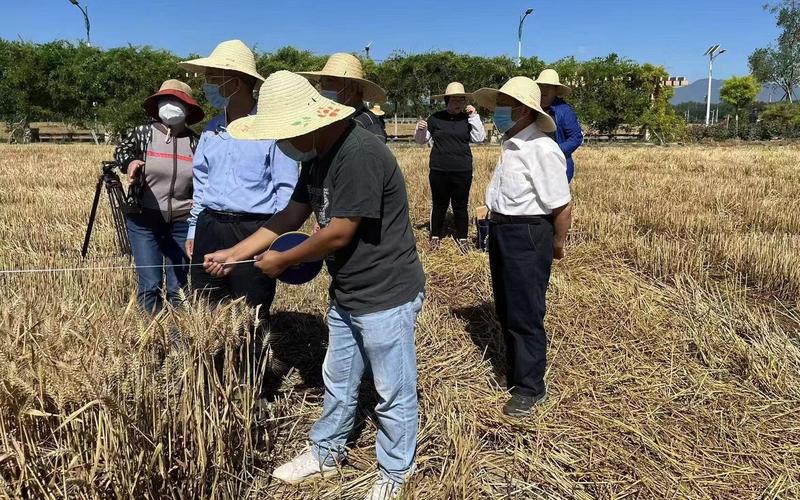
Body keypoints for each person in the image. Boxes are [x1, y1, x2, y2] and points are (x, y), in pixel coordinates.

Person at [203, 71, 425, 500]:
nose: (283, 142)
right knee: (339, 378)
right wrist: (235, 253)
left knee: (391, 388)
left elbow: (340, 231)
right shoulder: (316, 155)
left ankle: (395, 471)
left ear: (311, 122)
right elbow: (290, 216)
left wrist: (283, 260)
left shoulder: (359, 153)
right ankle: (326, 451)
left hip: (385, 292)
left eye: (286, 132)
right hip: (348, 289)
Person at [178, 40, 299, 374]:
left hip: (254, 228)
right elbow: (200, 186)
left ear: (238, 82)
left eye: (217, 77)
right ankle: (212, 381)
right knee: (207, 309)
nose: (210, 84)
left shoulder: (272, 130)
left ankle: (253, 390)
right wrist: (193, 229)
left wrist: (274, 241)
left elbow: (285, 192)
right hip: (209, 226)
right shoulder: (211, 131)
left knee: (252, 313)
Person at [473, 77, 573, 417]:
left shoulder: (542, 149)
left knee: (526, 311)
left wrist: (557, 244)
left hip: (528, 234)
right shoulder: (511, 143)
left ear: (523, 110)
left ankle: (531, 388)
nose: (499, 111)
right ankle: (516, 373)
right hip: (503, 231)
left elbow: (561, 205)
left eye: (505, 105)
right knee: (506, 306)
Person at [114, 79, 204, 313]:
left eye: (176, 100)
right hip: (144, 219)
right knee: (150, 284)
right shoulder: (143, 133)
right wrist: (130, 163)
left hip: (183, 221)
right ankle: (151, 336)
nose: (169, 105)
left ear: (187, 109)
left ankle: (180, 335)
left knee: (178, 287)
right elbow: (122, 151)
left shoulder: (196, 142)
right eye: (165, 99)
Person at [415, 82, 486, 252]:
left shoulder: (467, 119)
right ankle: (435, 236)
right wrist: (420, 129)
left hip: (462, 169)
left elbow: (479, 138)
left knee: (460, 205)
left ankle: (462, 238)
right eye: (454, 100)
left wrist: (475, 116)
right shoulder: (435, 118)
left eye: (461, 100)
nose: (458, 103)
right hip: (439, 169)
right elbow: (421, 140)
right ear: (447, 101)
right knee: (439, 204)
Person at [298, 53, 388, 142]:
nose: (323, 87)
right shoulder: (337, 120)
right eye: (321, 82)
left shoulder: (368, 124)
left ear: (353, 88)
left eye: (330, 81)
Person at [536, 69, 583, 183]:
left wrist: (554, 151)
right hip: (533, 164)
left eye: (549, 87)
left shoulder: (564, 111)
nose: (544, 90)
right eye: (541, 86)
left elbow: (576, 138)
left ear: (556, 91)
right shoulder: (531, 108)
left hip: (558, 167)